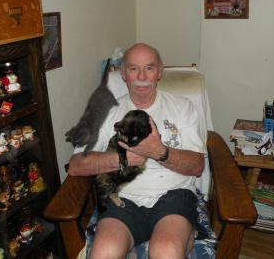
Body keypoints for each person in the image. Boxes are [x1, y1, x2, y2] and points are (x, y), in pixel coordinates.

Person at [67, 43, 205, 259]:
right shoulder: (105, 112)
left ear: (159, 72)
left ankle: (183, 236)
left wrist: (159, 151)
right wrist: (122, 159)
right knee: (103, 253)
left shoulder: (182, 107)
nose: (141, 76)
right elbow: (75, 165)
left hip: (173, 196)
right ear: (123, 74)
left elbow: (197, 166)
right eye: (133, 68)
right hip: (123, 199)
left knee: (166, 251)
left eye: (149, 68)